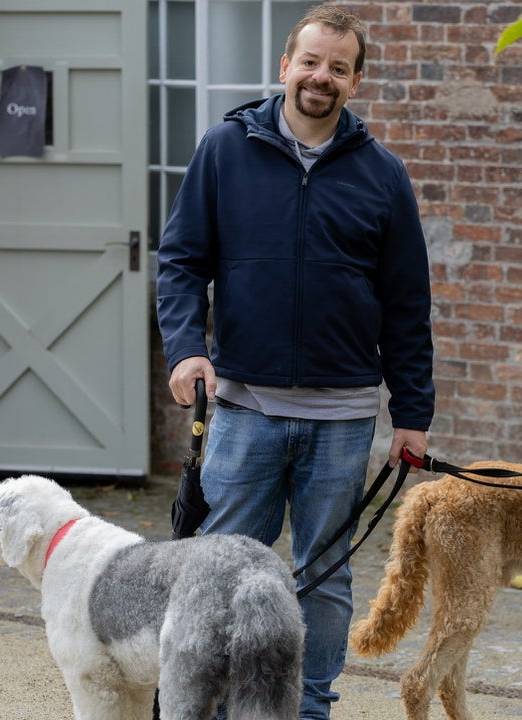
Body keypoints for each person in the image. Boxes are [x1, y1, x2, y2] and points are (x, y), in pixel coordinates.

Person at [155, 5, 434, 719]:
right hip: (245, 407)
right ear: (285, 67)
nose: (321, 77)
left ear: (356, 81)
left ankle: (308, 709)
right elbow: (181, 261)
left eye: (338, 68)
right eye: (310, 62)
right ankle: (211, 707)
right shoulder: (225, 150)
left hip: (342, 419)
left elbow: (407, 305)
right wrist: (186, 349)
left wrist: (412, 416)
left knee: (324, 578)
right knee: (220, 571)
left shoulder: (383, 174)